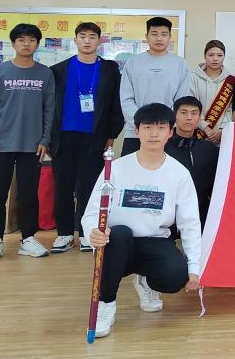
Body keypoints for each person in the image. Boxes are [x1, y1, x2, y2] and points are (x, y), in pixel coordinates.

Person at [82, 103, 201, 339]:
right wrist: (93, 232)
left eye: (161, 127)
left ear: (170, 132)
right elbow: (92, 212)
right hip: (117, 243)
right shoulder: (115, 169)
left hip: (156, 241)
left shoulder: (179, 174)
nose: (154, 133)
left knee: (176, 275)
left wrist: (194, 268)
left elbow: (190, 223)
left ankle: (146, 282)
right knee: (120, 233)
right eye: (147, 127)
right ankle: (106, 304)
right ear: (137, 131)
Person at [0, 24, 57, 262]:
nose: (26, 44)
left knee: (29, 196)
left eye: (31, 40)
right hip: (0, 146)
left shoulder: (45, 74)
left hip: (33, 146)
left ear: (37, 44)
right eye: (21, 40)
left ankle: (28, 239)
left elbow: (50, 110)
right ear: (13, 44)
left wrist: (45, 139)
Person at [49, 22, 125, 254]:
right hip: (63, 136)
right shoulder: (59, 70)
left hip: (95, 137)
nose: (87, 41)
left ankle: (84, 232)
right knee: (63, 187)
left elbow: (116, 104)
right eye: (82, 36)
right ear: (75, 40)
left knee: (89, 187)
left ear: (99, 41)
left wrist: (112, 134)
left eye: (92, 36)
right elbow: (49, 107)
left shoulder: (110, 70)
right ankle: (64, 233)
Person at [120, 17, 190, 156]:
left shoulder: (180, 64)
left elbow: (182, 100)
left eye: (164, 34)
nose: (159, 38)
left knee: (168, 169)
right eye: (154, 34)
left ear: (170, 37)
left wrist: (165, 124)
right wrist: (142, 123)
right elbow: (126, 99)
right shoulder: (133, 62)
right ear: (146, 36)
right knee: (131, 168)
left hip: (168, 131)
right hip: (136, 132)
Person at [165, 96, 219, 227]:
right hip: (166, 213)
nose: (189, 117)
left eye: (194, 113)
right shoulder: (162, 147)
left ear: (200, 119)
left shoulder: (209, 149)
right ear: (175, 116)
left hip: (199, 213)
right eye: (183, 113)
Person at [189, 40, 234, 145]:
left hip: (222, 136)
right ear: (205, 56)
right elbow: (190, 106)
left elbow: (230, 110)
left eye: (219, 55)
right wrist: (205, 127)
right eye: (211, 55)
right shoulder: (193, 78)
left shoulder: (231, 81)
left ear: (224, 57)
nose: (215, 59)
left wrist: (222, 131)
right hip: (196, 133)